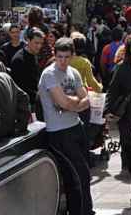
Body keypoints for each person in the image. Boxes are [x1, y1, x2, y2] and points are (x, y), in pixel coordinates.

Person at [39, 38, 93, 215]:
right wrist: (74, 103)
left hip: (76, 126)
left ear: (72, 56)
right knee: (79, 176)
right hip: (59, 132)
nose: (62, 61)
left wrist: (72, 103)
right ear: (55, 55)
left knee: (80, 176)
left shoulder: (74, 72)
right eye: (59, 57)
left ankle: (82, 210)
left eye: (66, 57)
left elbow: (86, 100)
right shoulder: (49, 74)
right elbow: (64, 103)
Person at [104, 32, 131, 203]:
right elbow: (113, 89)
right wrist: (108, 109)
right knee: (129, 150)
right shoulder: (122, 67)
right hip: (127, 116)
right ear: (129, 49)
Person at [10, 27, 44, 114]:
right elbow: (19, 86)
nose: (39, 46)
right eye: (36, 43)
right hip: (26, 105)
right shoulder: (19, 60)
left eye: (41, 43)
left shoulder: (33, 54)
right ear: (28, 40)